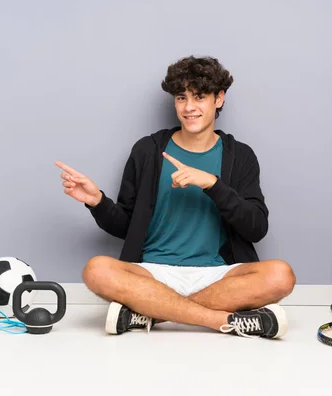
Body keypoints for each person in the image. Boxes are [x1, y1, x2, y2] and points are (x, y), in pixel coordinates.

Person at [55, 55, 296, 339]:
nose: (189, 107)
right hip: (152, 274)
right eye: (181, 98)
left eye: (199, 97)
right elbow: (126, 226)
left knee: (281, 275)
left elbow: (256, 228)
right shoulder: (147, 150)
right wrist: (97, 202)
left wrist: (212, 184)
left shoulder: (239, 155)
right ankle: (222, 320)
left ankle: (150, 313)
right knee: (96, 270)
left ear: (219, 99)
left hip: (216, 275)